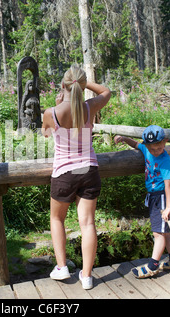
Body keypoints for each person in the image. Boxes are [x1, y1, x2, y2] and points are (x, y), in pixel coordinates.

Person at [41, 65, 111, 289]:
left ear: (63, 85)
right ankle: (87, 276)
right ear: (81, 86)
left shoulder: (52, 113)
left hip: (64, 173)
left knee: (56, 219)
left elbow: (44, 133)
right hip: (89, 170)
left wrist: (63, 97)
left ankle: (62, 267)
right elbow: (106, 92)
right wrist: (84, 83)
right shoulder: (90, 106)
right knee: (88, 223)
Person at [114, 125, 170, 278]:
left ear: (165, 141)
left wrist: (169, 207)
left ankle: (153, 266)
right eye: (152, 149)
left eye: (158, 147)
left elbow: (169, 184)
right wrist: (124, 139)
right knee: (165, 231)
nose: (155, 151)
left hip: (162, 197)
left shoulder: (165, 161)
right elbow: (137, 144)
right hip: (153, 196)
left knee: (158, 233)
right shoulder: (146, 149)